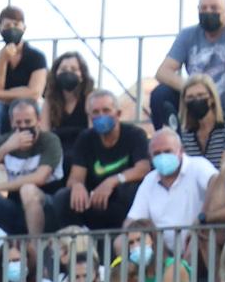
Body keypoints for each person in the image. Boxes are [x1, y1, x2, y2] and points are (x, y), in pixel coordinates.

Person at [153, 0, 225, 131]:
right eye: (203, 8)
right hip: (195, 106)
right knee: (161, 93)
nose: (208, 12)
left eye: (214, 8)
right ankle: (168, 142)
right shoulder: (187, 34)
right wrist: (195, 88)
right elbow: (162, 72)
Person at [49, 89, 150, 233]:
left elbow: (143, 168)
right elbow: (75, 176)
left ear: (118, 114)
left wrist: (112, 181)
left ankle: (127, 238)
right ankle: (77, 244)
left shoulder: (135, 135)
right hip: (94, 200)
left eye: (106, 110)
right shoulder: (85, 138)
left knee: (130, 190)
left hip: (122, 200)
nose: (101, 116)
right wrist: (77, 186)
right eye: (95, 112)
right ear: (89, 117)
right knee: (63, 197)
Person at [0, 98, 58, 236]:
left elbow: (39, 177)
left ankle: (35, 249)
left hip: (46, 204)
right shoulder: (6, 140)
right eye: (18, 123)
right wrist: (6, 147)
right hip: (14, 205)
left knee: (27, 190)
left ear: (38, 121)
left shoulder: (49, 140)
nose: (23, 127)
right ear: (11, 123)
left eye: (28, 122)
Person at [129, 127, 216, 252]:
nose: (163, 157)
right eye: (157, 153)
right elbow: (133, 219)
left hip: (196, 244)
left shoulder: (198, 165)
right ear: (150, 157)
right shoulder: (150, 179)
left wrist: (201, 218)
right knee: (120, 242)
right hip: (160, 251)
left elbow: (216, 183)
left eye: (167, 151)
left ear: (181, 151)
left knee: (198, 240)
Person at [0, 6, 47, 149]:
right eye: (7, 25)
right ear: (0, 29)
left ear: (24, 27)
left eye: (16, 25)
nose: (12, 29)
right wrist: (2, 60)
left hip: (29, 104)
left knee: (40, 107)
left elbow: (34, 92)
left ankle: (36, 152)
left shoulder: (36, 57)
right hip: (2, 106)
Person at [43, 51, 91, 139]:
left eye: (74, 69)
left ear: (82, 76)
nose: (68, 72)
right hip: (57, 149)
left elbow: (92, 132)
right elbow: (45, 133)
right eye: (63, 69)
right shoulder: (49, 100)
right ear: (56, 74)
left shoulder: (89, 98)